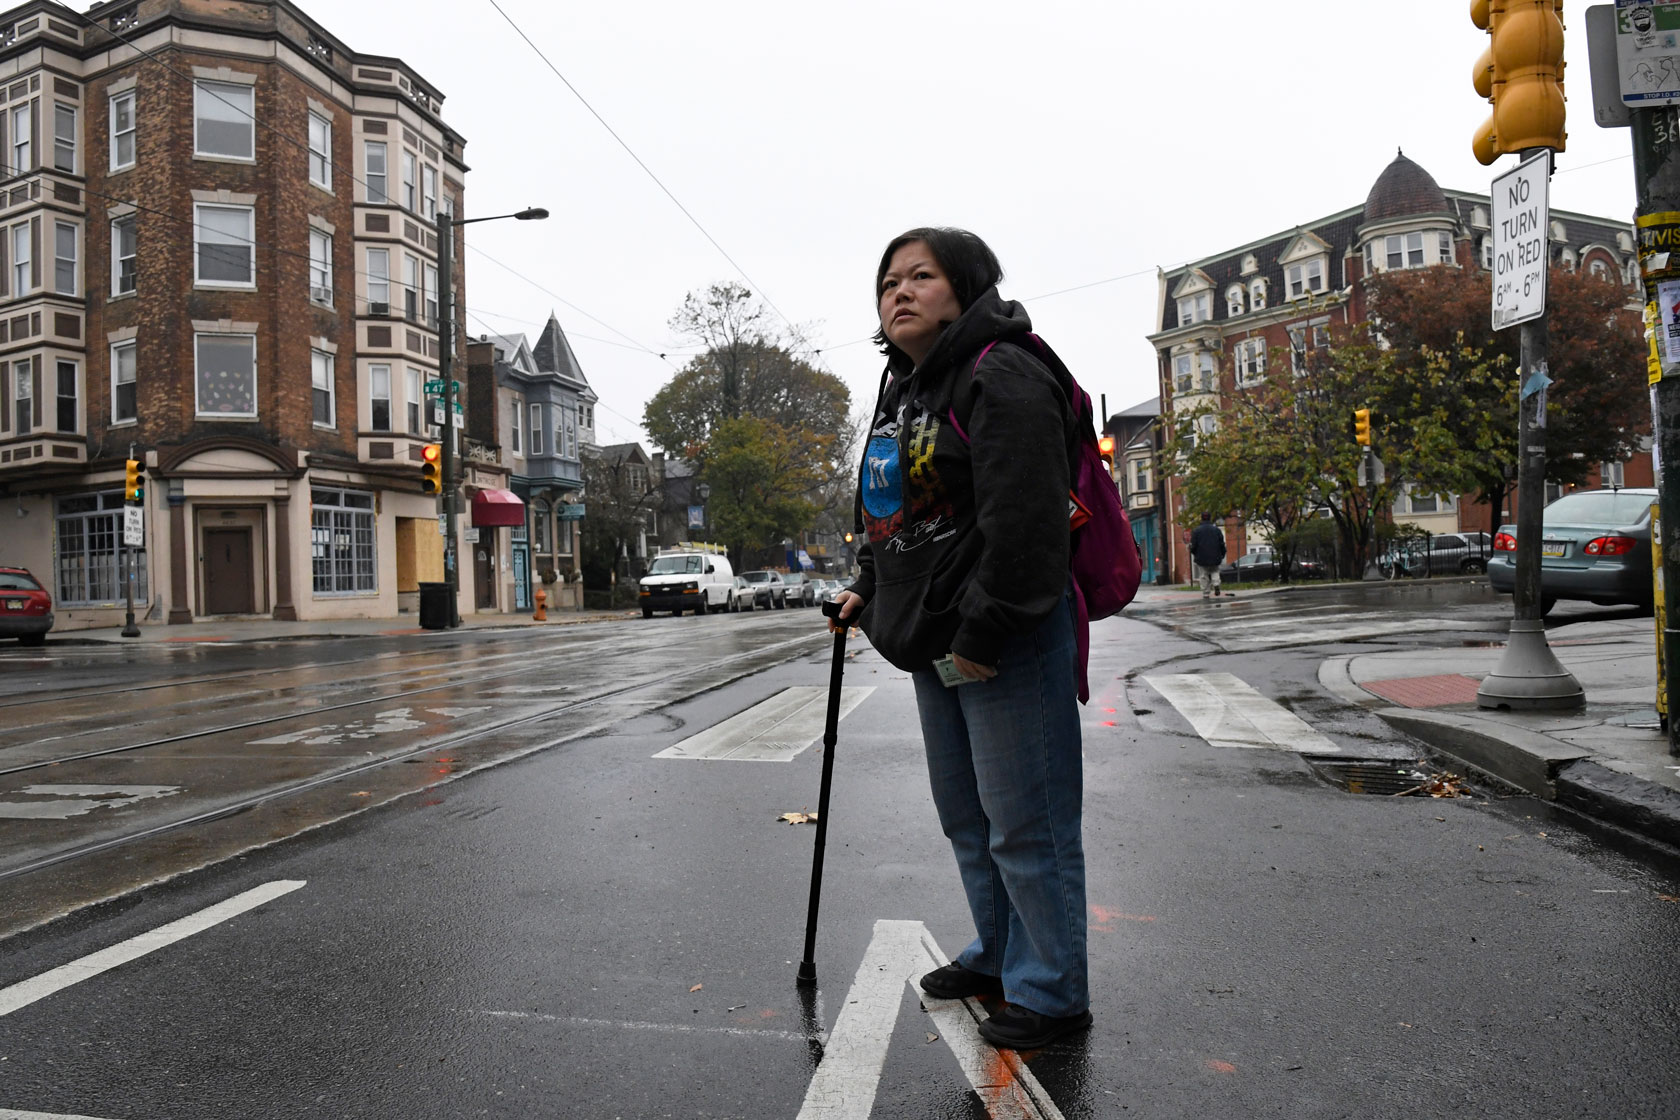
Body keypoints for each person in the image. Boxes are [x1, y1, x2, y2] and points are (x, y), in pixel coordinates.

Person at [828, 227, 1091, 1051]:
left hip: (999, 632)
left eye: (922, 277)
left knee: (1027, 821)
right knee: (969, 818)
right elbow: (893, 510)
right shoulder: (902, 387)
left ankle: (1052, 991)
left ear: (966, 286)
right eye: (888, 282)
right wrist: (866, 588)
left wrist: (985, 627)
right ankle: (1000, 952)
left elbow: (1027, 518)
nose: (899, 292)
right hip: (932, 632)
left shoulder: (1001, 369)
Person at [1190, 512, 1226, 599]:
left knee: (1203, 575)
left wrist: (1194, 553)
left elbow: (1193, 546)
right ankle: (1216, 584)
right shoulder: (1217, 530)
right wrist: (1222, 554)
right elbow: (1222, 544)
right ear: (1210, 518)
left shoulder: (1196, 531)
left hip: (1201, 557)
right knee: (1215, 571)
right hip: (1215, 556)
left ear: (1201, 518)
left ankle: (1206, 592)